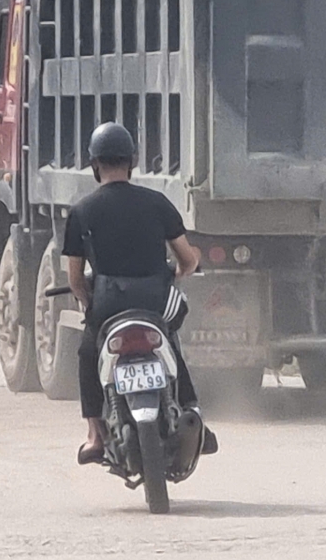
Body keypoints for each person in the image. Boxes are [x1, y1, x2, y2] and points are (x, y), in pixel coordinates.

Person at [62, 121, 215, 465]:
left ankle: (94, 435)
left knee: (88, 352)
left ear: (94, 164)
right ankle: (193, 412)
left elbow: (74, 280)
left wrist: (89, 302)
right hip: (154, 302)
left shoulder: (82, 212)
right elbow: (188, 261)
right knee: (171, 342)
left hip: (108, 304)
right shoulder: (157, 203)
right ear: (131, 162)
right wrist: (177, 271)